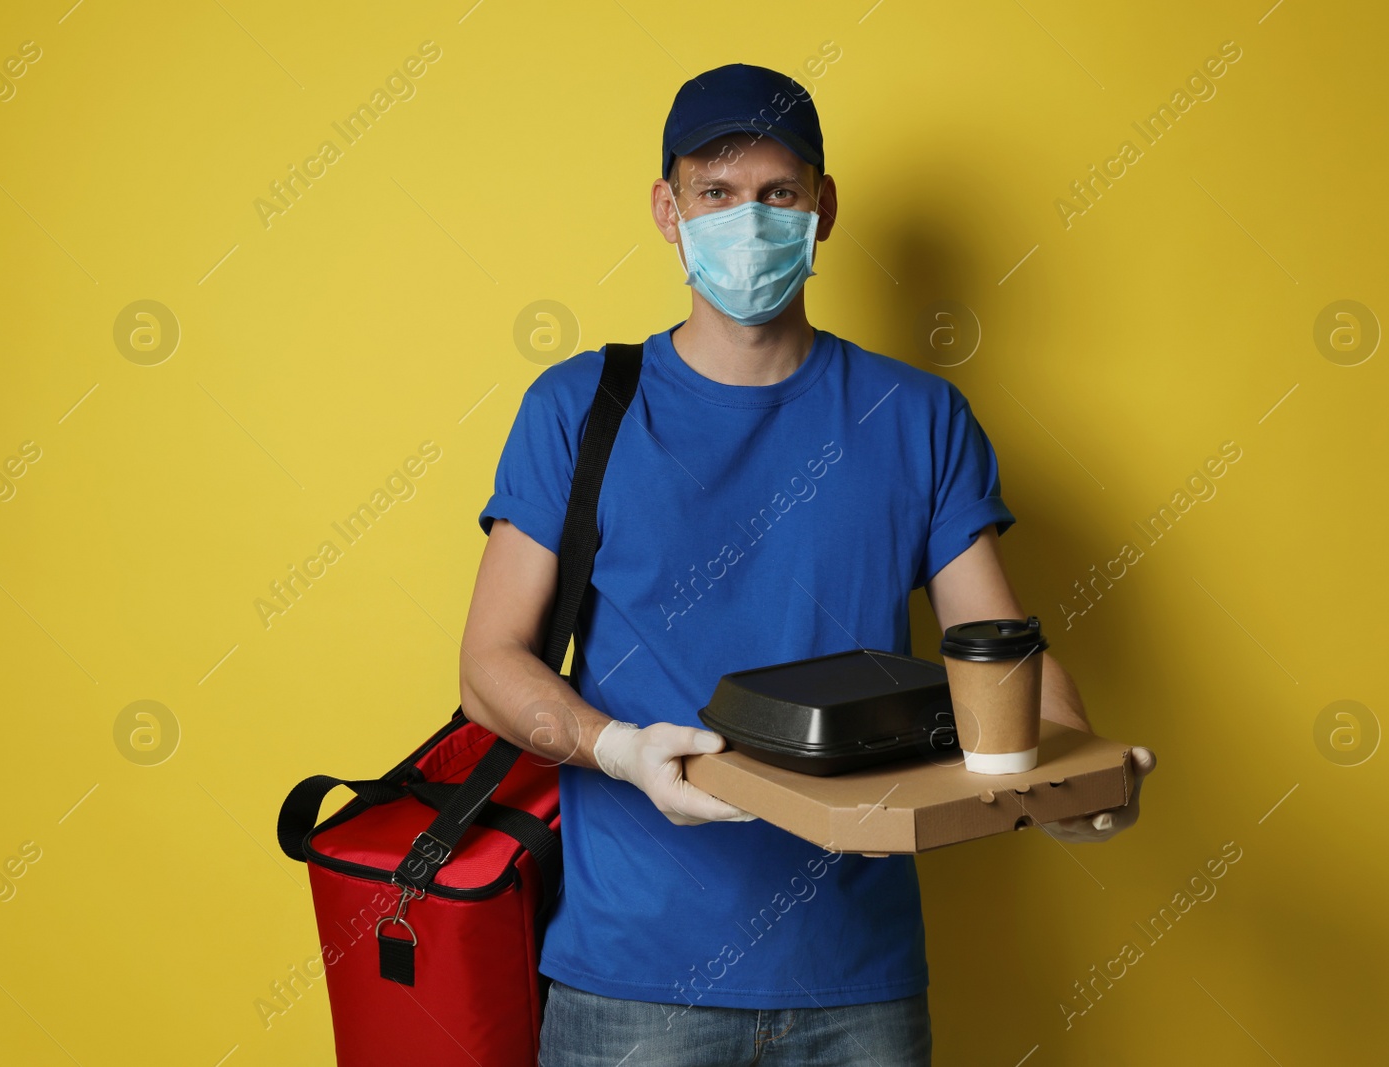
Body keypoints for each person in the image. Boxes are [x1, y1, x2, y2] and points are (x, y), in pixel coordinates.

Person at [460, 62, 1157, 1067]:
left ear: (823, 209)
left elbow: (998, 650)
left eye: (778, 194)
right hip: (634, 979)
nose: (748, 220)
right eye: (717, 192)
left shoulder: (917, 417)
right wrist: (619, 749)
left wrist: (1078, 774)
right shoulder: (579, 408)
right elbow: (490, 662)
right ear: (668, 209)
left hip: (856, 980)